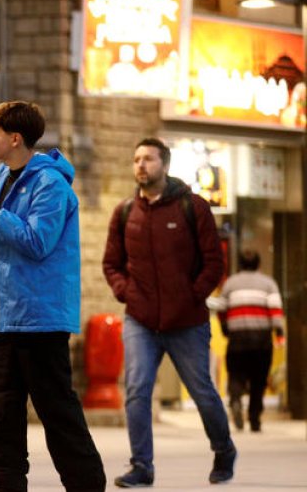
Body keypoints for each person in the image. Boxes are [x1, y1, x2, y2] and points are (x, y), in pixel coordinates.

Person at [0, 101, 105, 492]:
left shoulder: (50, 183)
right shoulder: (0, 177)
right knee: (2, 416)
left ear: (15, 137)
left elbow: (37, 241)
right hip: (1, 314)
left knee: (57, 411)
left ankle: (87, 485)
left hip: (39, 317)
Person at [102, 137, 235, 487]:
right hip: (140, 320)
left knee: (202, 391)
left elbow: (214, 262)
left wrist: (192, 296)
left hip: (186, 320)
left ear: (165, 164)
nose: (141, 165)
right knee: (137, 391)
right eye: (136, 160)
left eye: (148, 159)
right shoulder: (125, 212)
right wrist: (125, 291)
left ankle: (223, 449)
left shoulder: (194, 207)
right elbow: (112, 263)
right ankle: (141, 466)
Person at [219, 249, 285, 433]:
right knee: (259, 379)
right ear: (258, 264)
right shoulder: (268, 283)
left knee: (236, 374)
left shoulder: (230, 284)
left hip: (237, 338)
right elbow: (275, 310)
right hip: (261, 339)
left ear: (240, 264)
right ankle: (254, 419)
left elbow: (221, 309)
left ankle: (235, 401)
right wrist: (279, 332)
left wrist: (225, 329)